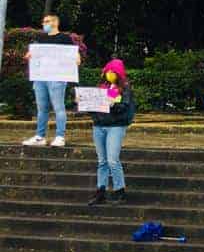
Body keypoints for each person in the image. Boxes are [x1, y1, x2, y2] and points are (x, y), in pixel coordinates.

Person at [22, 13, 81, 148]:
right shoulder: (41, 38)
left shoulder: (64, 38)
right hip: (41, 78)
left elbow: (73, 52)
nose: (44, 24)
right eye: (43, 22)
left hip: (57, 78)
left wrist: (77, 58)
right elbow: (35, 52)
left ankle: (60, 136)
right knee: (41, 108)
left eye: (47, 21)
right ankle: (40, 136)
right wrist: (29, 55)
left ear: (55, 22)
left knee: (58, 107)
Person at [87, 59, 136, 206]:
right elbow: (93, 107)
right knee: (102, 161)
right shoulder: (102, 87)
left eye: (113, 72)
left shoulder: (125, 88)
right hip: (99, 125)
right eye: (108, 71)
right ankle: (100, 191)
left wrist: (113, 104)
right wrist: (84, 102)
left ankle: (119, 190)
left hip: (116, 126)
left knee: (112, 160)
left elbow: (125, 107)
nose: (110, 74)